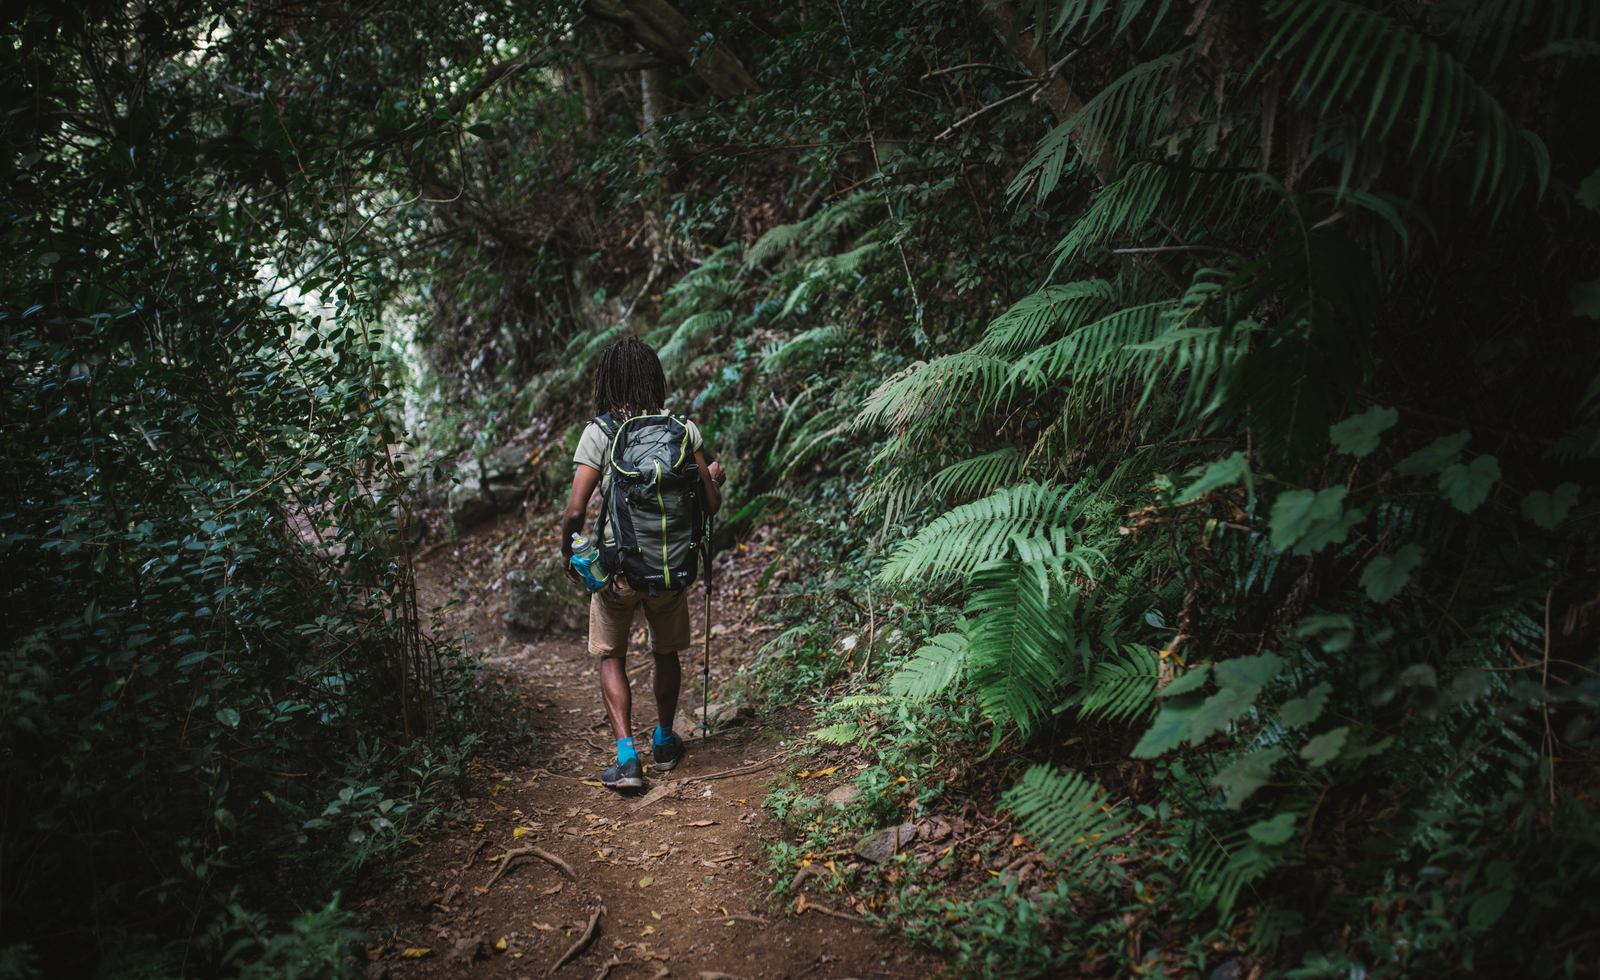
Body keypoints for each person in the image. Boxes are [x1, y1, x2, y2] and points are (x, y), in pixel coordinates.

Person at [560, 338, 724, 789]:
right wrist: (714, 478)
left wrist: (568, 555)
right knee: (665, 651)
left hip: (617, 570)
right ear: (656, 378)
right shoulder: (682, 429)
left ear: (608, 381)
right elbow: (711, 505)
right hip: (670, 567)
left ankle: (628, 759)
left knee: (611, 655)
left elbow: (575, 511)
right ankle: (666, 741)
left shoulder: (600, 433)